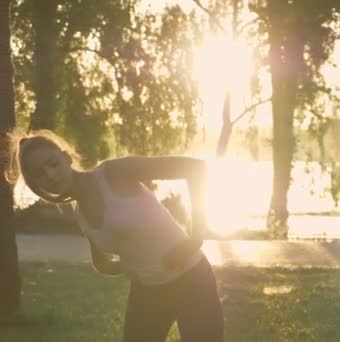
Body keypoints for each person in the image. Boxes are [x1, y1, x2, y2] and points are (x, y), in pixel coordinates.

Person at [6, 130, 223, 342]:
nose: (50, 175)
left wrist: (196, 238)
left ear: (66, 157)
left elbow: (196, 168)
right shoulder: (80, 214)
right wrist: (131, 264)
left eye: (52, 164)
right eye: (39, 173)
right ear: (35, 184)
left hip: (191, 280)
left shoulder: (115, 172)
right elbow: (102, 263)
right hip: (147, 293)